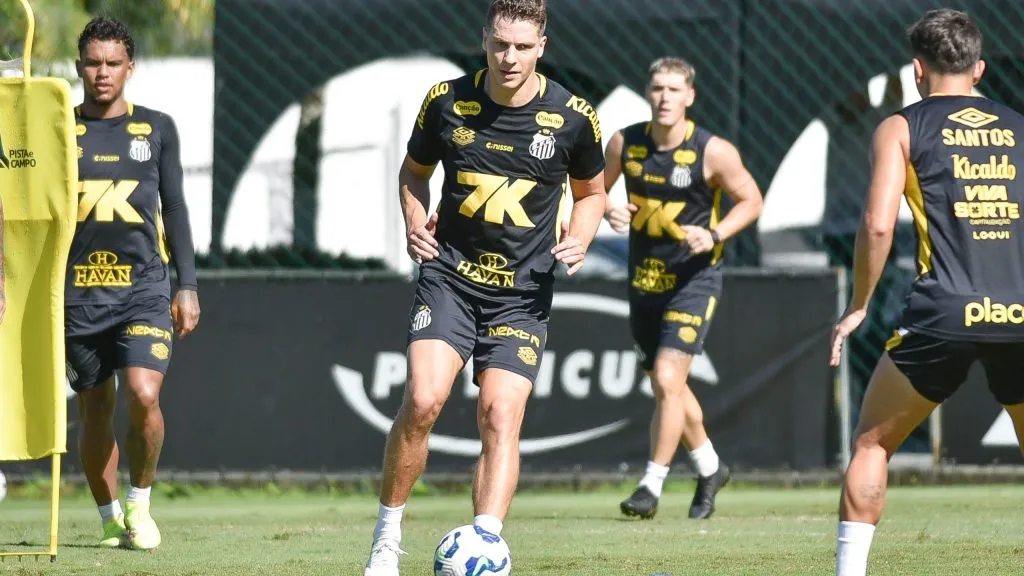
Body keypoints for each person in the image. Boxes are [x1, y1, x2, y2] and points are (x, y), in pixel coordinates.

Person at [363, 0, 607, 573]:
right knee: (423, 400)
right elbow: (414, 173)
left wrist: (582, 235)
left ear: (542, 46)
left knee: (501, 415)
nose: (509, 57)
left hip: (521, 294)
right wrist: (411, 220)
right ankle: (385, 538)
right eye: (500, 44)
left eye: (522, 46)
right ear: (484, 40)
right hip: (449, 279)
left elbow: (592, 192)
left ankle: (484, 545)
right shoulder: (446, 101)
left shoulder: (573, 117)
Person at [830, 9, 1024, 576]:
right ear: (979, 69)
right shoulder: (1019, 126)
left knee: (871, 444)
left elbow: (877, 225)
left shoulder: (902, 126)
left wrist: (859, 305)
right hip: (1019, 310)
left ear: (918, 70)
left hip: (944, 311)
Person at [603, 57, 763, 520]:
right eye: (657, 88)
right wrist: (609, 210)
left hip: (695, 279)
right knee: (666, 386)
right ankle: (711, 467)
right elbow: (590, 191)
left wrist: (714, 234)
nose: (665, 97)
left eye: (675, 89)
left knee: (669, 381)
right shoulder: (624, 143)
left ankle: (651, 485)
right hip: (645, 280)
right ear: (647, 93)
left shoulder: (713, 151)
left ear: (690, 97)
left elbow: (751, 200)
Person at [68, 17, 199, 551]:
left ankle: (141, 505)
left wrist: (186, 284)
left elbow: (177, 209)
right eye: (94, 63)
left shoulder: (158, 128)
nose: (103, 73)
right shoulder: (59, 130)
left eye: (113, 63)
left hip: (143, 290)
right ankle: (109, 517)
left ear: (130, 68)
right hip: (77, 295)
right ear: (80, 67)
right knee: (95, 407)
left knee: (144, 394)